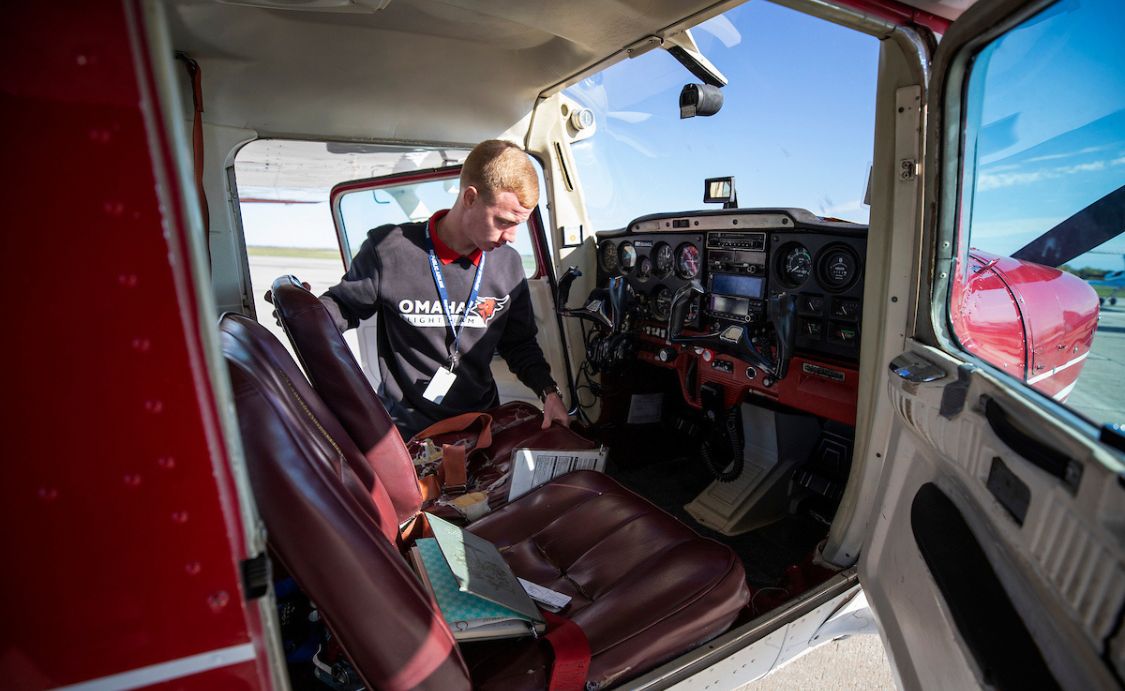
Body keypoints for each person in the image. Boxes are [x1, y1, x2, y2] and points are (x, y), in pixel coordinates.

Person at [316, 139, 569, 438]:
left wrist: (549, 393)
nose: (511, 237)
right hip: (407, 430)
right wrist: (302, 309)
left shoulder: (508, 265)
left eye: (519, 225)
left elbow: (519, 344)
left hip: (481, 424)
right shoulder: (389, 252)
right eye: (503, 221)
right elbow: (342, 308)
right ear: (470, 198)